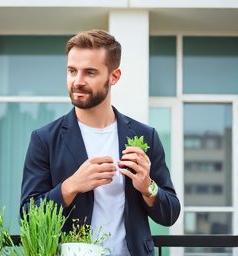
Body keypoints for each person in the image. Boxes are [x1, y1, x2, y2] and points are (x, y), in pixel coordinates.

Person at [20, 30, 180, 256]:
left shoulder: (146, 137)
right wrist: (71, 186)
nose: (78, 81)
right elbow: (27, 216)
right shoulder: (44, 139)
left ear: (114, 76)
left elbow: (170, 213)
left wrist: (148, 187)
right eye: (72, 71)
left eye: (90, 73)